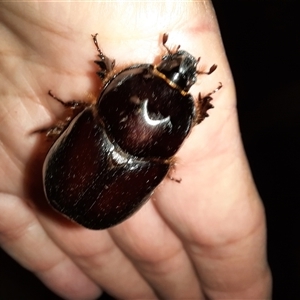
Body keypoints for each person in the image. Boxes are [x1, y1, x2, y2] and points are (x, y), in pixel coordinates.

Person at [0, 1, 272, 299]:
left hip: (68, 185)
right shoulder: (162, 153)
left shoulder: (112, 108)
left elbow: (109, 81)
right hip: (93, 205)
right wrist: (201, 103)